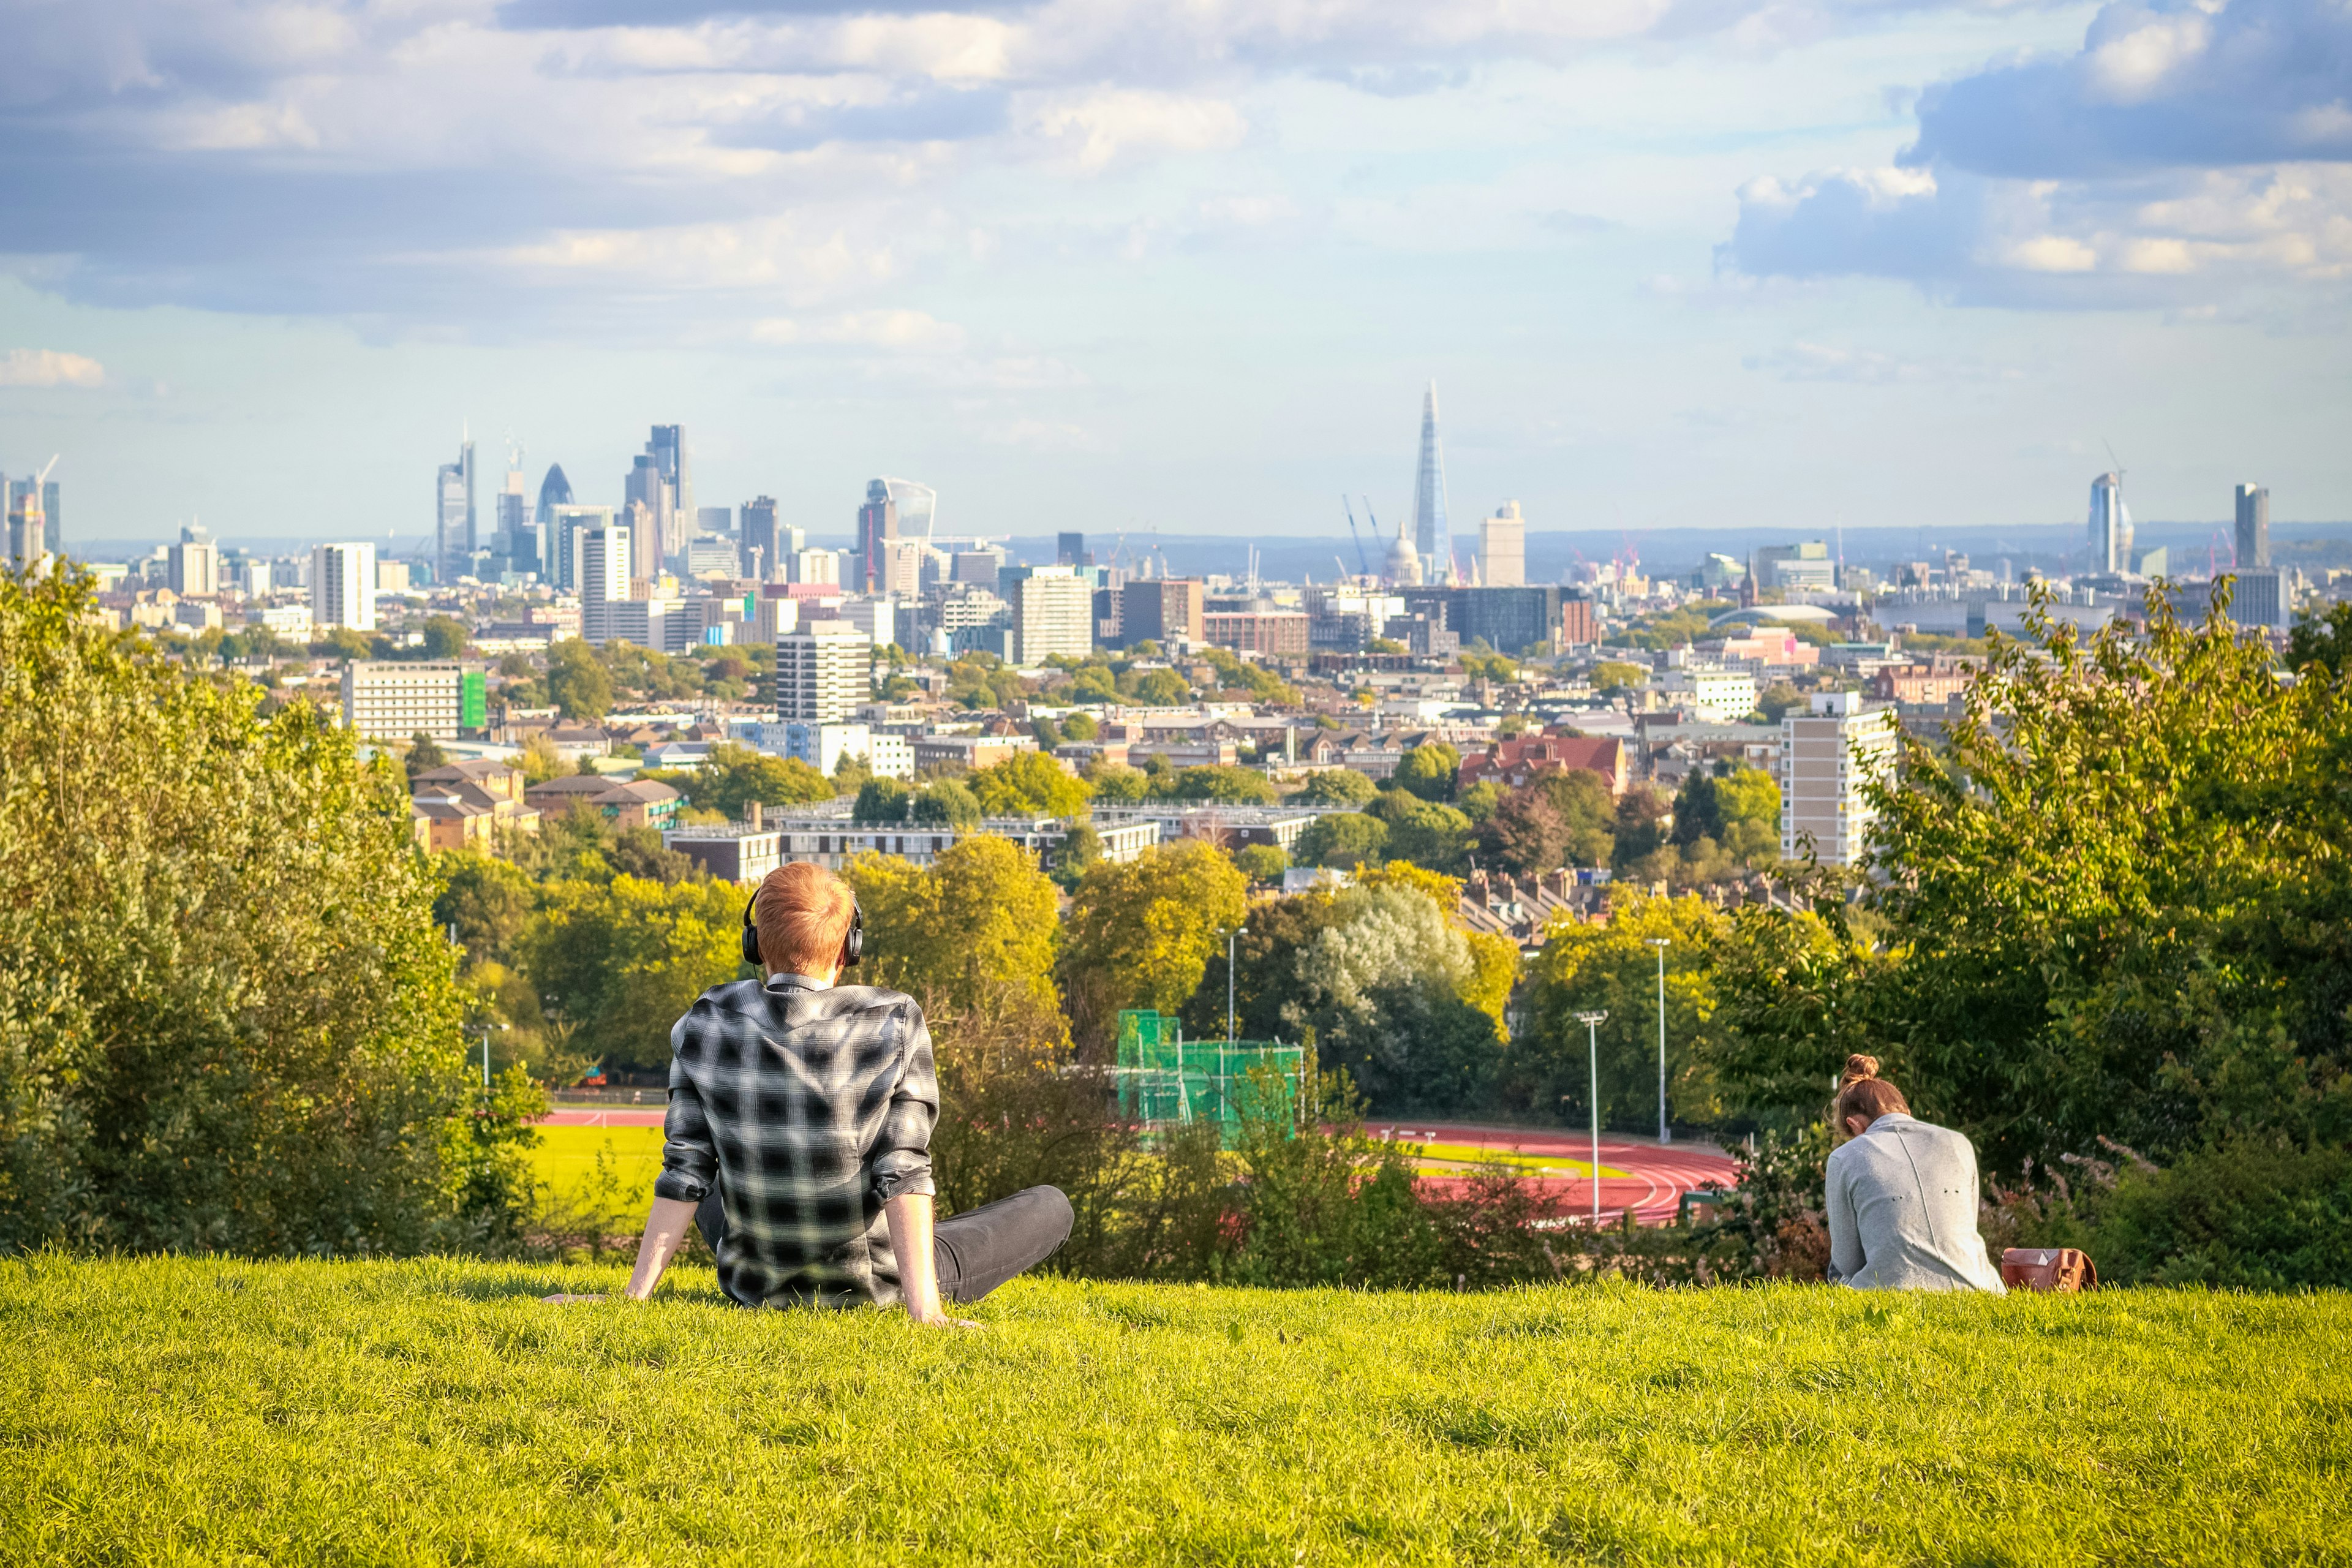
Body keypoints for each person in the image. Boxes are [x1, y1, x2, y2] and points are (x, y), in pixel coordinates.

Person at [610, 860, 1071, 1324]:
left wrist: (634, 1298)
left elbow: (686, 1169)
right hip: (871, 1287)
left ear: (755, 943)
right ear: (848, 947)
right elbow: (903, 1170)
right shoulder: (893, 1020)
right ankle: (918, 1283)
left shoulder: (705, 1020)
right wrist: (927, 1312)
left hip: (756, 1284)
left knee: (706, 1183)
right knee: (1051, 1204)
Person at [1823, 1055, 2005, 1293]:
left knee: (1836, 1273)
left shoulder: (1843, 1158)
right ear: (1906, 1111)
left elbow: (1848, 1261)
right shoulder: (1959, 1143)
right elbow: (1966, 1224)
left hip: (1894, 1290)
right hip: (1979, 1286)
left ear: (1854, 1125)